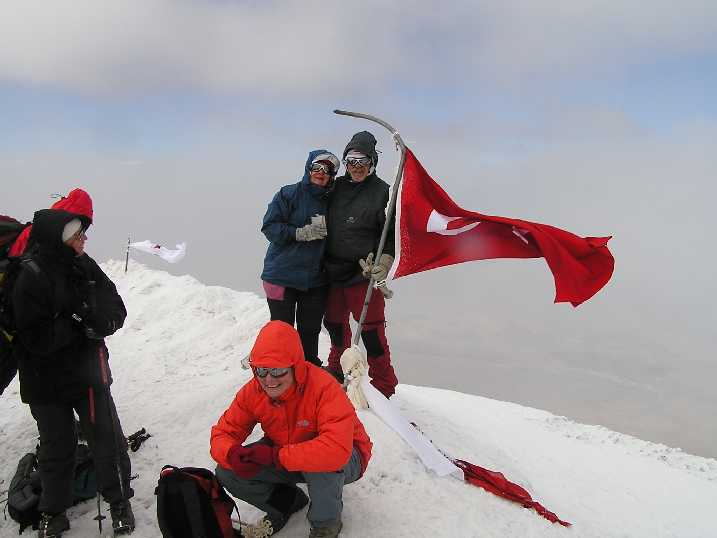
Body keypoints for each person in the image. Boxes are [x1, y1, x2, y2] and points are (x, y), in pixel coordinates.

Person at [11, 207, 134, 537]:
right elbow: (34, 338)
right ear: (59, 240)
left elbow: (115, 305)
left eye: (83, 233)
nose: (84, 240)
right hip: (44, 382)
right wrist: (78, 323)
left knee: (107, 440)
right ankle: (53, 512)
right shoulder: (31, 276)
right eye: (77, 235)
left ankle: (119, 502)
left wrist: (104, 322)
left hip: (88, 374)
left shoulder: (84, 265)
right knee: (56, 448)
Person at [210, 320, 372, 538]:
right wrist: (231, 453)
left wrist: (276, 456)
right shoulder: (254, 391)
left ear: (296, 366)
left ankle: (325, 524)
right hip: (285, 449)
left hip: (348, 455)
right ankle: (287, 503)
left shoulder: (324, 388)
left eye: (278, 370)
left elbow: (335, 449)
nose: (269, 379)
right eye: (262, 370)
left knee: (319, 462)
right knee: (227, 471)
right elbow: (223, 433)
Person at [322, 131, 398, 398]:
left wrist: (383, 264)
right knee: (334, 324)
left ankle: (383, 383)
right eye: (351, 161)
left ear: (372, 162)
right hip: (332, 271)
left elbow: (390, 235)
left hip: (363, 273)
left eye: (362, 161)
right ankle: (336, 368)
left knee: (371, 332)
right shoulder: (335, 188)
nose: (356, 167)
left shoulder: (383, 192)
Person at [260, 150, 340, 367]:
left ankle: (308, 370)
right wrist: (299, 233)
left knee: (310, 330)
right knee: (281, 330)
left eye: (327, 169)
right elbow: (269, 227)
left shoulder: (333, 200)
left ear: (332, 175)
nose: (321, 173)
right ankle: (279, 371)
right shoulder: (288, 194)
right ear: (308, 168)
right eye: (317, 167)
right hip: (280, 277)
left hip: (315, 280)